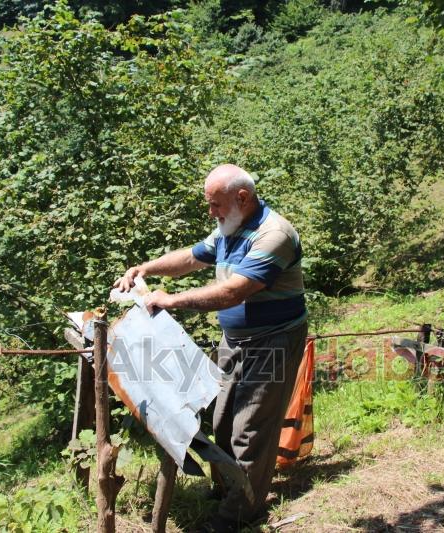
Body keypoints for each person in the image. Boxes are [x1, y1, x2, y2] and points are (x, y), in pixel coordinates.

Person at [114, 164, 307, 531]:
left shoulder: (273, 234)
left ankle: (237, 515)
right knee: (221, 419)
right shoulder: (229, 228)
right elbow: (191, 257)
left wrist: (172, 300)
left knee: (250, 429)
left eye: (215, 204)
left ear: (242, 198)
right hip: (236, 340)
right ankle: (230, 489)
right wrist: (145, 269)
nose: (211, 212)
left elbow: (234, 291)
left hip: (273, 341)